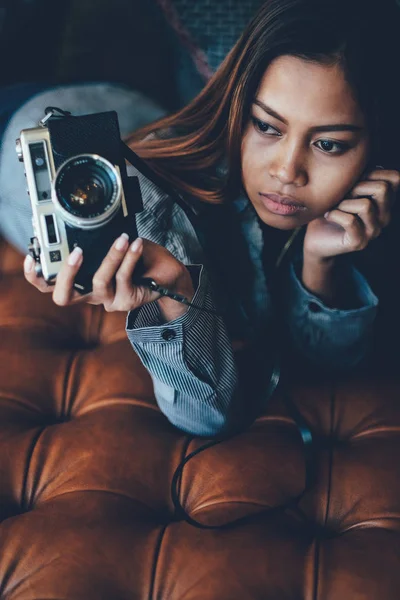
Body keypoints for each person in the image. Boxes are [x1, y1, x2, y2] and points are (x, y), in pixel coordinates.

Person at [18, 0, 400, 436]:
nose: (286, 172)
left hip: (128, 108)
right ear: (238, 110)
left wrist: (321, 263)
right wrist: (176, 295)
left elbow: (330, 365)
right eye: (266, 126)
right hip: (21, 116)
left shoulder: (365, 209)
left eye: (329, 144)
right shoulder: (156, 216)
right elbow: (204, 417)